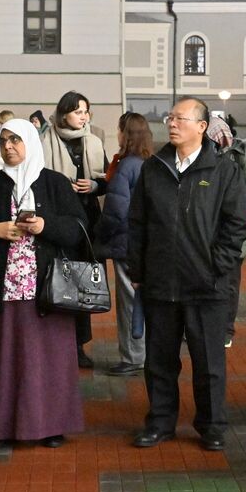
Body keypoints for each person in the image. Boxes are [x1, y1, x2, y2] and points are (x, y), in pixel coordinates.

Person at [127, 97, 246, 451]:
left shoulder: (224, 170)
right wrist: (139, 269)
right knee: (160, 361)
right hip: (160, 283)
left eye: (180, 118)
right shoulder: (155, 168)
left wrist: (216, 266)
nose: (172, 123)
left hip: (206, 285)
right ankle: (161, 422)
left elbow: (236, 225)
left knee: (209, 363)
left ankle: (212, 426)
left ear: (201, 126)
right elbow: (137, 223)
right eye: (170, 117)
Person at [0, 119, 87, 448]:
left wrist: (46, 226)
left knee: (49, 361)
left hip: (47, 290)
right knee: (2, 361)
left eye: (16, 139)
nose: (9, 146)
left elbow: (80, 230)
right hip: (2, 291)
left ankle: (50, 426)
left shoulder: (55, 184)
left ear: (30, 140)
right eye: (3, 141)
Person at [42, 92, 107, 369]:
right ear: (63, 113)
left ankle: (79, 344)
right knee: (56, 278)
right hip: (57, 221)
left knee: (83, 284)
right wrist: (60, 188)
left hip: (87, 222)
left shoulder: (92, 141)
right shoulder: (45, 141)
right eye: (79, 111)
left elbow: (105, 181)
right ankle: (54, 344)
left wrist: (94, 186)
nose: (84, 116)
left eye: (86, 111)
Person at [98, 112, 154, 376]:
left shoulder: (126, 165)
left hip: (125, 241)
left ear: (125, 133)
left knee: (129, 302)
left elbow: (115, 210)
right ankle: (143, 352)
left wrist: (98, 235)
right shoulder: (150, 163)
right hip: (146, 242)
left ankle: (133, 356)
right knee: (143, 300)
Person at [207, 116, 246, 349]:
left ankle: (225, 330)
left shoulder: (238, 157)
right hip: (206, 233)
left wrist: (238, 208)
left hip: (234, 234)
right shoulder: (195, 157)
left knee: (230, 284)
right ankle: (209, 326)